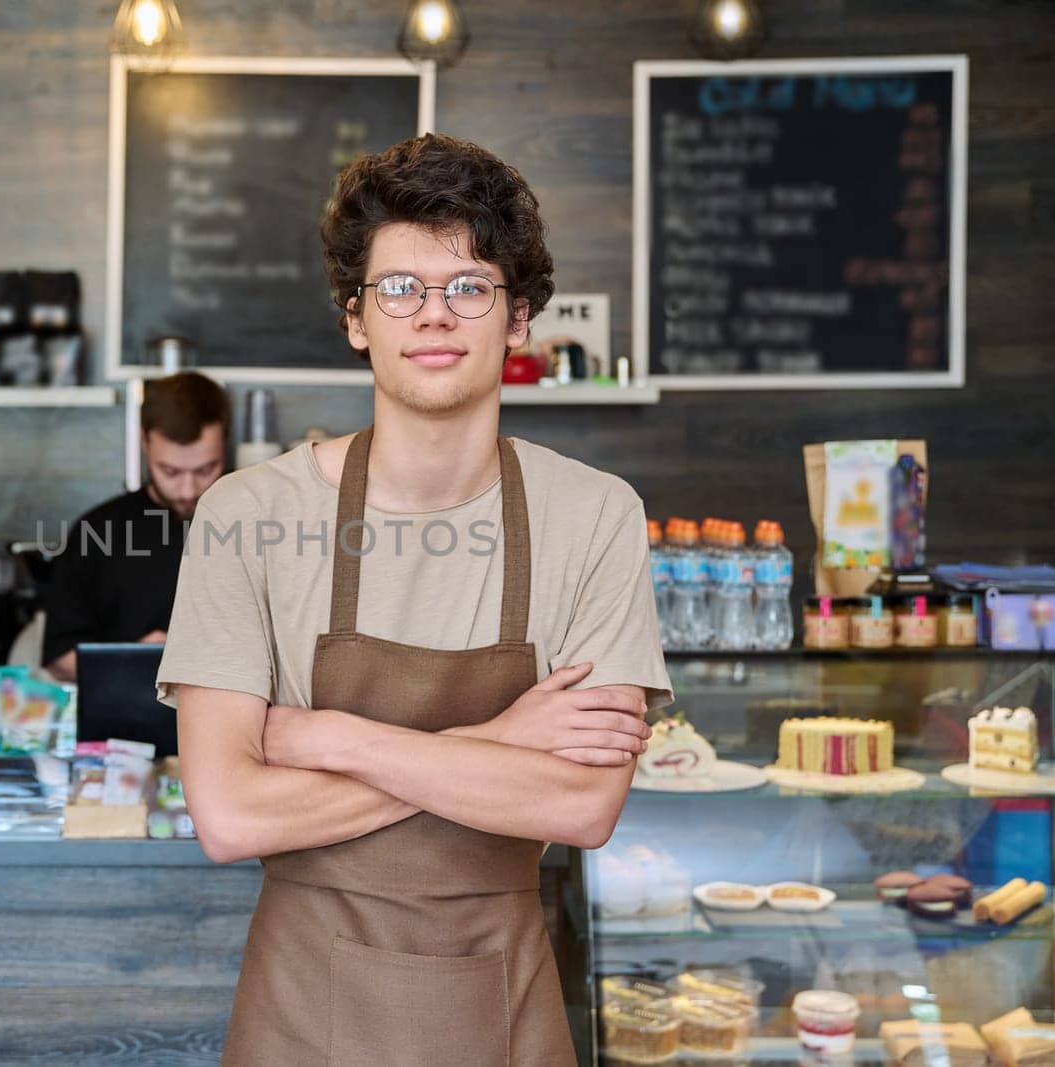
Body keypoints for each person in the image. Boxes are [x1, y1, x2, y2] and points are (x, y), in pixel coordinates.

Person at [156, 134, 673, 1064]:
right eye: (400, 288)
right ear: (356, 317)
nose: (434, 315)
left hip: (506, 999)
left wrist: (330, 737)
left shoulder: (595, 515)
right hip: (298, 1006)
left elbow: (583, 807)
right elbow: (231, 817)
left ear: (518, 319)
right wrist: (499, 742)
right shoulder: (247, 513)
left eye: (469, 286)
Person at [42, 371, 228, 682]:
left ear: (224, 442)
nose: (187, 490)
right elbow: (59, 658)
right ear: (144, 442)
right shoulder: (98, 532)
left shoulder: (260, 522)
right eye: (169, 471)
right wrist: (133, 657)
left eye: (205, 470)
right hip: (127, 723)